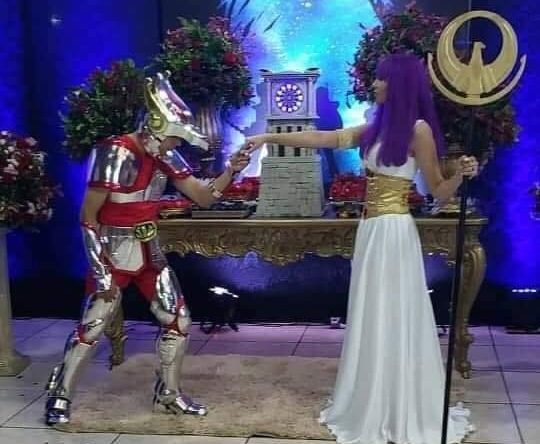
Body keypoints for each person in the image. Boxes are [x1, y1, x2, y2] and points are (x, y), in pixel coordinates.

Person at [244, 54, 478, 444]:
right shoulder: (377, 128)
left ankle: (398, 403)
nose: (374, 84)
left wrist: (460, 176)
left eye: (381, 79)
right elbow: (323, 138)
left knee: (393, 311)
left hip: (394, 232)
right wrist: (269, 138)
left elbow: (438, 191)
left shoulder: (418, 130)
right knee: (372, 311)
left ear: (397, 84)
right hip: (371, 230)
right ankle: (372, 394)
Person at [44, 72, 251, 425]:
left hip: (149, 252)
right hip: (112, 252)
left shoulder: (165, 154)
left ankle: (168, 394)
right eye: (172, 139)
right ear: (154, 127)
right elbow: (88, 217)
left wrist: (231, 171)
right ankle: (59, 395)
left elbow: (203, 197)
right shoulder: (115, 151)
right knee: (92, 326)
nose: (173, 147)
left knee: (179, 320)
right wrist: (101, 270)